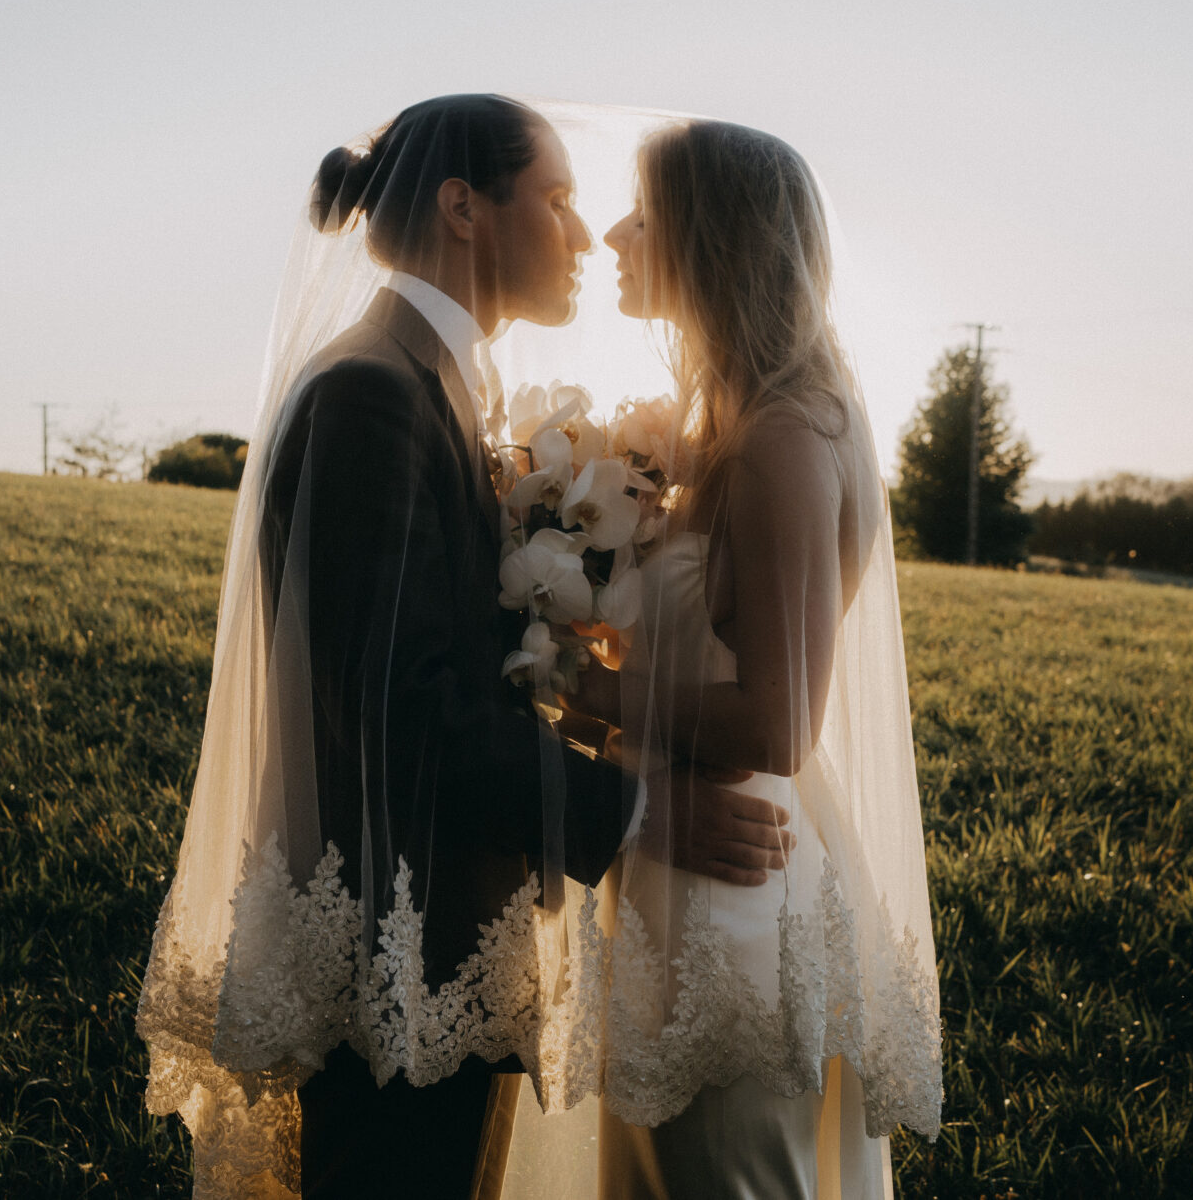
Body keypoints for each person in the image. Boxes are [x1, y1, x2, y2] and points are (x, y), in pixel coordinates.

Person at [135, 95, 796, 1200]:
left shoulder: (442, 380)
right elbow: (401, 702)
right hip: (397, 945)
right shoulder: (367, 394)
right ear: (461, 209)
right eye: (556, 199)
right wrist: (630, 814)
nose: (584, 236)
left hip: (447, 937)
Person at [521, 118, 944, 1199]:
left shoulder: (786, 436)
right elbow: (708, 641)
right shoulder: (740, 419)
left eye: (646, 214)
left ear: (716, 239)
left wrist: (572, 684)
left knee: (719, 1176)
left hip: (733, 886)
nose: (612, 232)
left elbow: (775, 720)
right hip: (689, 853)